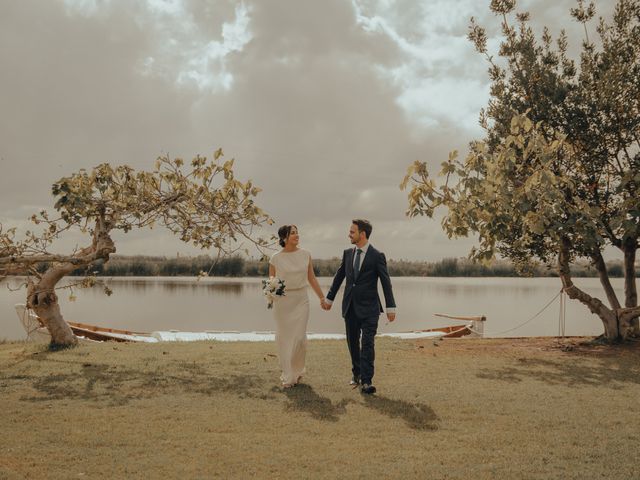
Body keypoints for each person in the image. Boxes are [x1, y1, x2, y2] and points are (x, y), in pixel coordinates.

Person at [322, 219, 396, 394]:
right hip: (350, 306)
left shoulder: (377, 255)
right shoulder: (348, 253)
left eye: (352, 232)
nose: (349, 234)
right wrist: (329, 299)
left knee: (368, 344)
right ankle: (356, 373)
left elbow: (386, 283)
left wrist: (391, 307)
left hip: (370, 308)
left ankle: (367, 381)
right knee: (353, 343)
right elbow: (339, 277)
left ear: (362, 234)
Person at [269, 225, 326, 388]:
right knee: (285, 339)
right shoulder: (275, 258)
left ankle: (297, 369)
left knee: (299, 338)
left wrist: (322, 297)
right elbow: (272, 281)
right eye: (292, 233)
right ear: (284, 238)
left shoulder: (305, 255)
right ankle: (288, 375)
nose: (296, 235)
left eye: (297, 232)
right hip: (283, 302)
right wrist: (271, 296)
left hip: (301, 299)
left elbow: (312, 279)